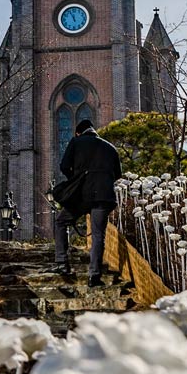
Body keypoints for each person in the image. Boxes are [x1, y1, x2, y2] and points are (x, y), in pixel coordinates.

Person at [54, 118, 122, 286]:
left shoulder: (76, 142)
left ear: (78, 132)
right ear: (93, 130)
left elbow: (64, 166)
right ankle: (94, 276)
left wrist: (76, 178)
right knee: (98, 235)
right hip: (103, 197)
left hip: (80, 196)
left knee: (62, 222)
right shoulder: (111, 148)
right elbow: (118, 174)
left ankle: (62, 263)